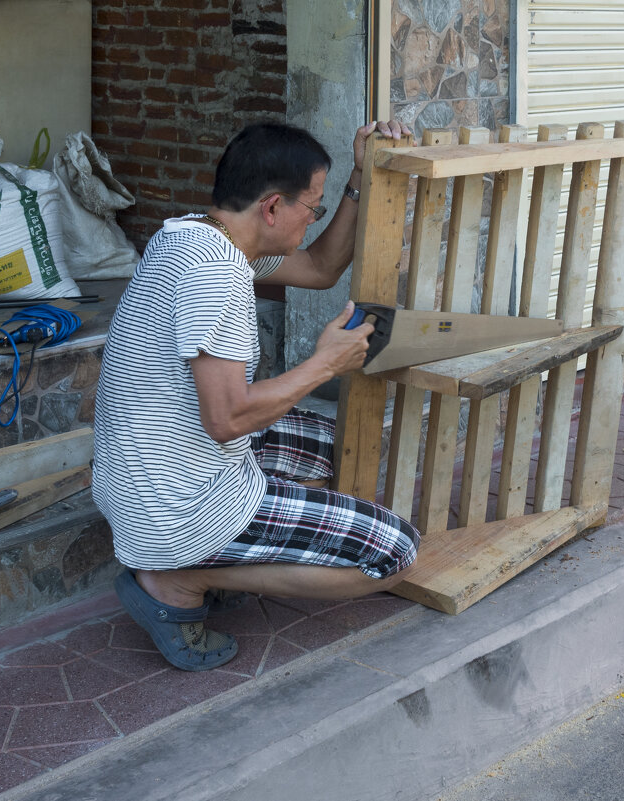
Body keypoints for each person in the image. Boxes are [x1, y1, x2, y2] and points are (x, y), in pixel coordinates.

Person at [92, 120, 420, 671]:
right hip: (172, 503)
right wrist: (324, 365)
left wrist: (359, 178)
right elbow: (227, 420)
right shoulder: (214, 273)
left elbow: (319, 267)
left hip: (145, 472)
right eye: (310, 208)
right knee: (395, 554)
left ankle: (219, 552)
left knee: (330, 445)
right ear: (272, 208)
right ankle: (178, 577)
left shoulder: (195, 234)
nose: (312, 218)